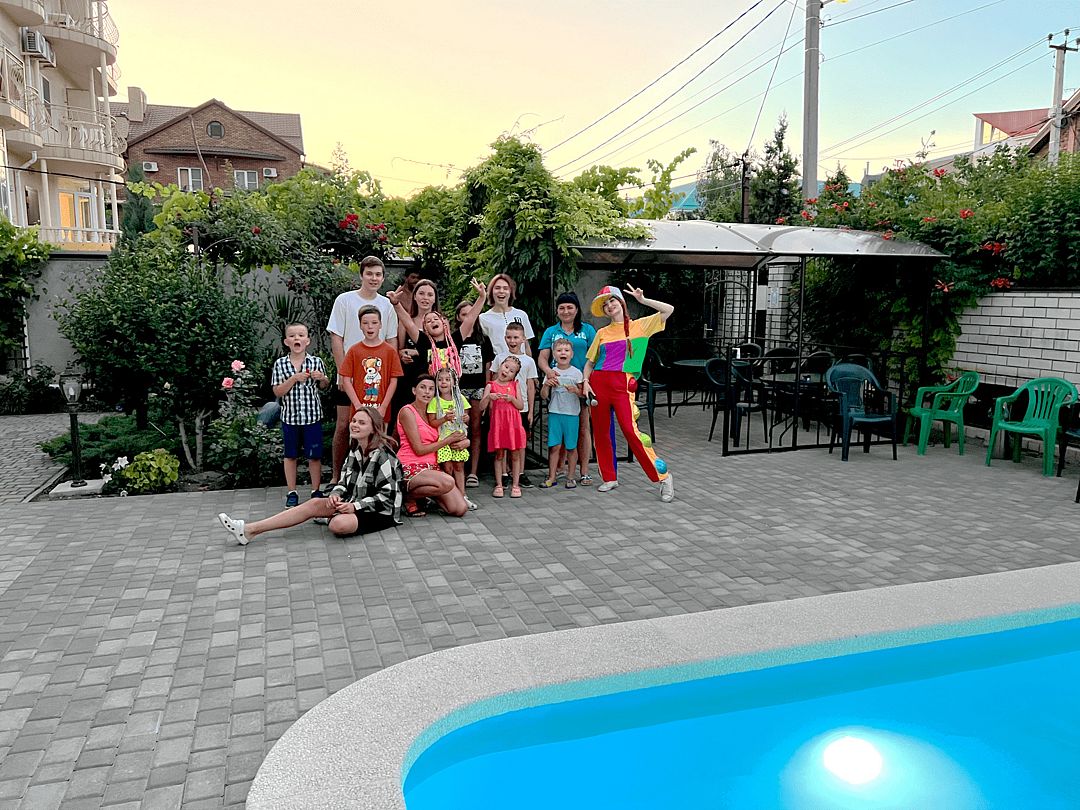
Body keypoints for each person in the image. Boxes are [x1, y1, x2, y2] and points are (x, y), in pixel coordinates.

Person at [216, 406, 404, 545]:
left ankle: (327, 516)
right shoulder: (355, 450)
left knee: (338, 525)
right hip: (353, 502)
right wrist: (335, 494)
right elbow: (343, 482)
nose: (354, 425)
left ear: (374, 429)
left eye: (361, 423)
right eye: (354, 421)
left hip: (381, 512)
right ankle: (249, 529)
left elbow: (387, 496)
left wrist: (354, 506)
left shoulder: (383, 455)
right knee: (314, 503)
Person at [582, 285, 675, 503]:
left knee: (631, 431)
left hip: (622, 383)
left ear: (621, 302)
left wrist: (643, 300)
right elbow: (590, 363)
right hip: (598, 383)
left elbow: (669, 310)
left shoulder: (640, 326)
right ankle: (609, 477)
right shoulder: (601, 333)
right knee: (601, 433)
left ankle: (663, 477)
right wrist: (585, 382)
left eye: (612, 301)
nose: (609, 306)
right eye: (605, 304)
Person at [327, 255, 398, 485]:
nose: (374, 278)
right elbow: (336, 338)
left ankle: (375, 479)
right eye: (369, 274)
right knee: (344, 426)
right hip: (349, 377)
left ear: (383, 277)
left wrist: (390, 373)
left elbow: (392, 340)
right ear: (361, 275)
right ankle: (337, 477)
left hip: (377, 381)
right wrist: (342, 372)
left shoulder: (387, 305)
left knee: (378, 427)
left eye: (378, 274)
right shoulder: (344, 300)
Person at [538, 291, 598, 485]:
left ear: (577, 309)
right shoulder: (551, 332)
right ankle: (560, 469)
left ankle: (584, 471)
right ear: (557, 311)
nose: (566, 311)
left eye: (570, 307)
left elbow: (595, 356)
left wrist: (586, 381)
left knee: (583, 428)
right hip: (558, 385)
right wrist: (549, 372)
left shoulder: (588, 330)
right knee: (562, 429)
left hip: (582, 384)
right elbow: (542, 357)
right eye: (562, 307)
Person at [270, 323, 330, 508]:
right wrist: (294, 378)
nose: (297, 338)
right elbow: (278, 391)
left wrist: (322, 378)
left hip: (312, 417)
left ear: (307, 341)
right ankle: (292, 492)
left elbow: (324, 386)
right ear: (286, 342)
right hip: (290, 418)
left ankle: (315, 490)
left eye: (301, 335)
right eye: (292, 336)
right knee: (291, 455)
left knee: (314, 456)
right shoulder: (280, 364)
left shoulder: (315, 362)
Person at [396, 375, 469, 517]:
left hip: (433, 467)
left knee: (460, 508)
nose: (427, 392)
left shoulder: (437, 413)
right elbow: (419, 449)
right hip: (411, 465)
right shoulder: (407, 411)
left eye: (431, 389)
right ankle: (407, 495)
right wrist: (447, 440)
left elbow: (455, 433)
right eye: (422, 387)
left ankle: (422, 496)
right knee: (448, 482)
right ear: (414, 390)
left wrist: (465, 441)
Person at [452, 295, 494, 488]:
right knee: (460, 428)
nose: (469, 316)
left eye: (472, 313)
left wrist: (487, 390)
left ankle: (473, 472)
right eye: (464, 314)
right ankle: (458, 469)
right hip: (459, 389)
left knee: (476, 429)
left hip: (478, 388)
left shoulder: (483, 339)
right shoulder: (454, 338)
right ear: (458, 317)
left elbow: (488, 367)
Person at [491, 321, 538, 486]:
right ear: (505, 338)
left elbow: (530, 386)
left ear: (523, 339)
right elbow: (493, 382)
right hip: (502, 409)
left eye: (516, 337)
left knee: (520, 442)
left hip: (520, 407)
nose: (512, 341)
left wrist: (530, 410)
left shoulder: (529, 361)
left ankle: (520, 472)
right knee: (503, 441)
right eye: (509, 337)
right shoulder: (499, 358)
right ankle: (504, 473)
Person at [338, 305, 403, 423]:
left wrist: (383, 407)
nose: (370, 326)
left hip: (381, 410)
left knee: (380, 434)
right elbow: (346, 379)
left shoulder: (390, 351)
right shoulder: (354, 350)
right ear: (360, 325)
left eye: (374, 322)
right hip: (359, 411)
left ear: (380, 325)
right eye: (365, 323)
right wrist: (357, 405)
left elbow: (393, 381)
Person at [388, 278, 438, 423]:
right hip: (408, 375)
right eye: (421, 293)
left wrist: (417, 352)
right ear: (414, 296)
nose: (425, 298)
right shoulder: (406, 320)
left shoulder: (440, 322)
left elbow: (441, 349)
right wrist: (402, 354)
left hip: (431, 376)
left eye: (430, 294)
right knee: (403, 416)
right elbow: (399, 348)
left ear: (435, 298)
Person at [428, 367, 476, 510]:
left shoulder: (460, 399)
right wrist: (444, 419)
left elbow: (466, 420)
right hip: (443, 440)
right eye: (440, 380)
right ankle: (450, 495)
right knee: (447, 468)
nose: (443, 382)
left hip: (458, 439)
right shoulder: (435, 401)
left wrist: (466, 418)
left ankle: (463, 495)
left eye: (448, 379)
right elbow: (432, 422)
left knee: (459, 467)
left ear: (454, 382)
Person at [539, 337, 584, 489]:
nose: (563, 353)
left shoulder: (576, 373)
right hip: (555, 413)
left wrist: (576, 390)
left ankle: (571, 477)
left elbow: (584, 394)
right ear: (554, 354)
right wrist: (546, 385)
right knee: (554, 446)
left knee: (571, 446)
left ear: (572, 354)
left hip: (572, 414)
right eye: (559, 350)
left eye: (566, 350)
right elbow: (543, 395)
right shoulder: (552, 372)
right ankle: (552, 476)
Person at [481, 357, 526, 499]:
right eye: (506, 367)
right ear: (500, 366)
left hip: (513, 425)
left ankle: (516, 485)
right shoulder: (491, 386)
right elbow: (481, 407)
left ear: (514, 375)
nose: (507, 371)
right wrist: (489, 397)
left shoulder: (515, 385)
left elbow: (521, 406)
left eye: (511, 371)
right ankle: (499, 484)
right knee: (499, 455)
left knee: (515, 455)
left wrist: (512, 399)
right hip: (499, 426)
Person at [479, 273, 533, 357]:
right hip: (498, 364)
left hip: (521, 363)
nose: (501, 291)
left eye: (505, 288)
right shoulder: (483, 318)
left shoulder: (521, 315)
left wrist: (530, 363)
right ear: (491, 291)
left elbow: (526, 345)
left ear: (510, 291)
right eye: (497, 288)